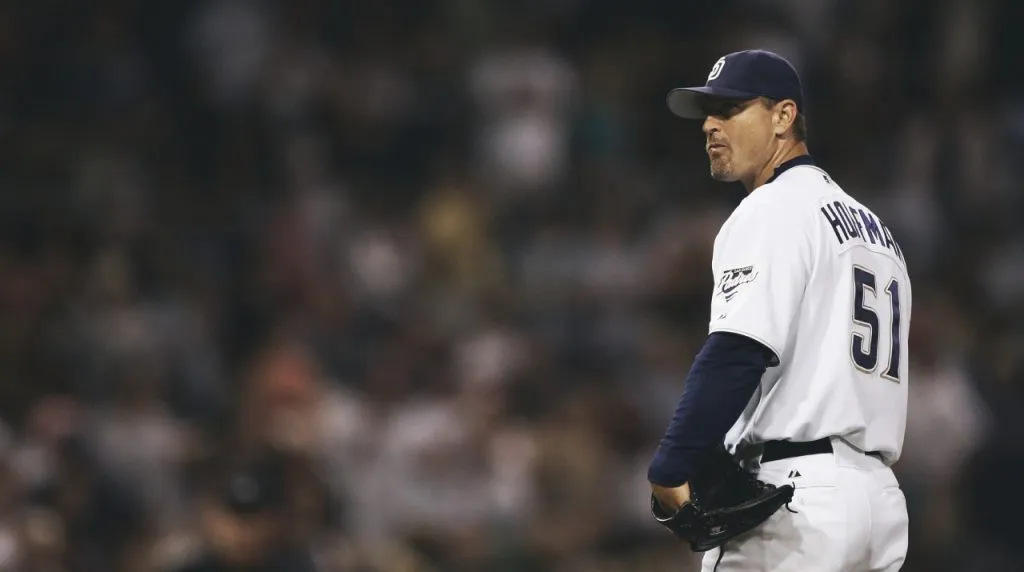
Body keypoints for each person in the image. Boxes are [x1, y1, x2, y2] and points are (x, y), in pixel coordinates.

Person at [645, 49, 911, 571]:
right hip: (878, 503)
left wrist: (671, 466)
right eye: (707, 113)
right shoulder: (877, 232)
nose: (710, 126)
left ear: (783, 116)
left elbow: (738, 349)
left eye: (730, 109)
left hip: (799, 501)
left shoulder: (772, 207)